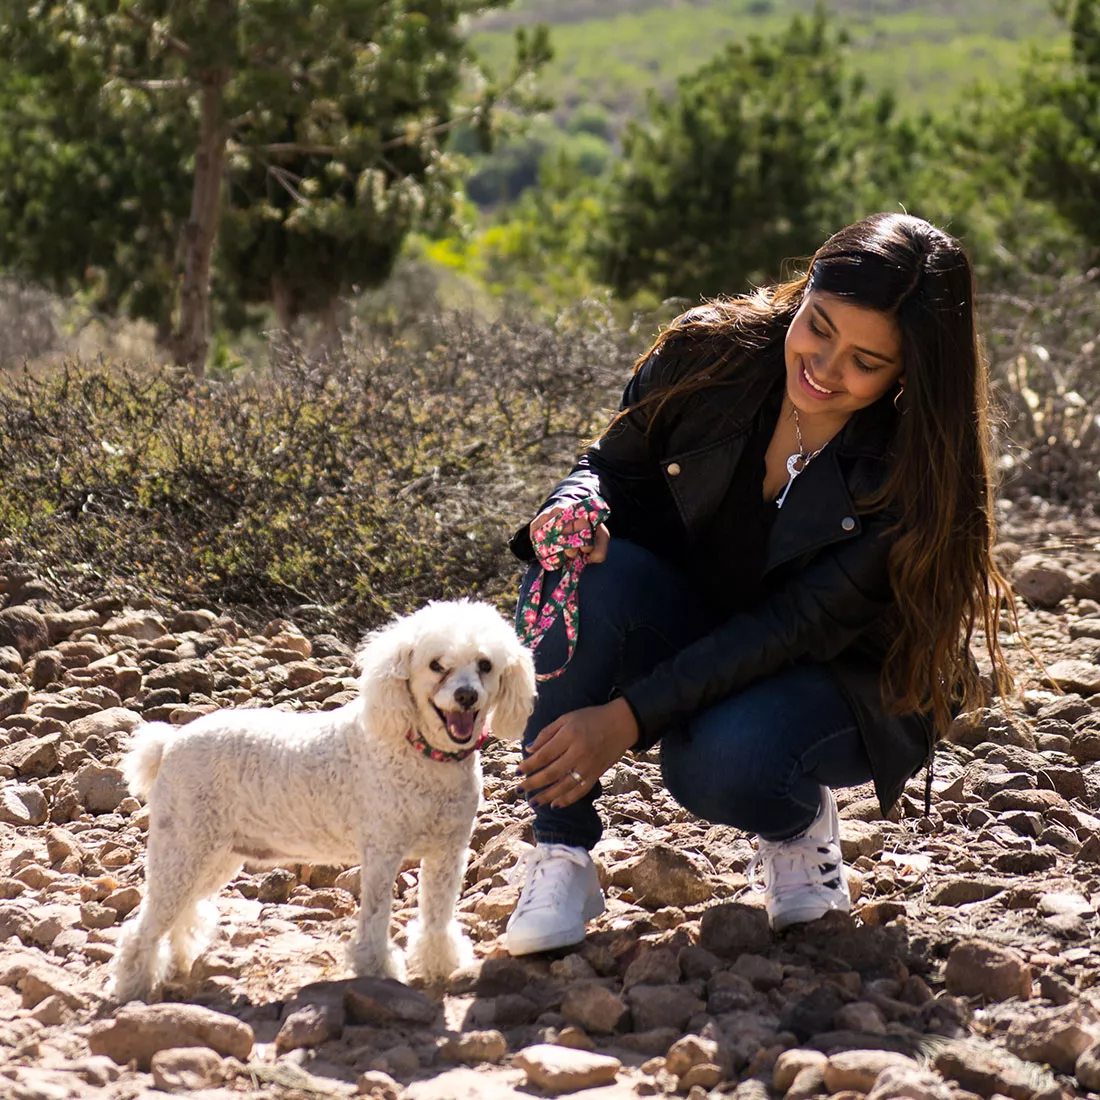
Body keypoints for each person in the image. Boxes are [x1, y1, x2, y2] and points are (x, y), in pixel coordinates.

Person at [503, 212, 1015, 956]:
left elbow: (787, 628)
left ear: (909, 372)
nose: (825, 367)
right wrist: (574, 504)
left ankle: (796, 827)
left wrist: (627, 718)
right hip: (705, 617)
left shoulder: (913, 473)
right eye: (819, 325)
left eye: (866, 362)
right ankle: (561, 855)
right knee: (575, 561)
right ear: (804, 290)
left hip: (842, 677)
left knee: (717, 763)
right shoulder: (707, 352)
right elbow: (612, 462)